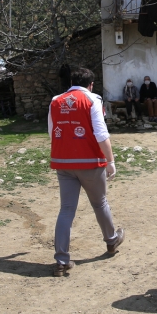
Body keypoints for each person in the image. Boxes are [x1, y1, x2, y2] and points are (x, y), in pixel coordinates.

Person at [48, 67, 125, 276]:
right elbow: (101, 133)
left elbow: (51, 131)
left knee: (66, 210)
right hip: (90, 161)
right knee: (99, 202)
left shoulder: (56, 100)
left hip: (63, 162)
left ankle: (62, 259)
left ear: (71, 81)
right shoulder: (92, 100)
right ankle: (111, 240)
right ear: (90, 84)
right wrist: (110, 160)